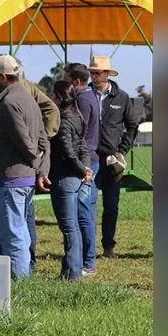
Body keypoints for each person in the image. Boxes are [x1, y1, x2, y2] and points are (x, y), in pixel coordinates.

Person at [0, 55, 51, 280]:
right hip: (24, 179)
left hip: (12, 178)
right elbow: (44, 140)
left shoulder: (9, 103)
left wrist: (35, 162)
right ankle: (23, 279)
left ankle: (20, 283)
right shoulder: (29, 99)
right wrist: (41, 170)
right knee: (21, 232)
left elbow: (24, 141)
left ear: (3, 77)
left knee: (13, 235)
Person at [88, 55, 142, 259]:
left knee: (111, 205)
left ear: (107, 74)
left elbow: (132, 125)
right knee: (88, 204)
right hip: (90, 158)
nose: (93, 76)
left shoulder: (122, 97)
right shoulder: (85, 94)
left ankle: (108, 246)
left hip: (112, 159)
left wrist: (122, 149)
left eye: (97, 72)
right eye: (91, 72)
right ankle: (89, 248)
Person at [49, 80, 93, 281]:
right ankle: (71, 268)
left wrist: (80, 168)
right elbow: (82, 145)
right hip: (76, 177)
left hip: (64, 177)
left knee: (68, 227)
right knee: (73, 224)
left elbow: (67, 151)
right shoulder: (78, 117)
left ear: (59, 97)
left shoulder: (63, 120)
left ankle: (73, 272)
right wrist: (85, 168)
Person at [67, 64, 101, 275]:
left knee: (82, 212)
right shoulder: (93, 98)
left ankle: (88, 261)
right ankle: (87, 259)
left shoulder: (81, 100)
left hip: (84, 161)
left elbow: (78, 133)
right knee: (85, 210)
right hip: (91, 158)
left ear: (76, 81)